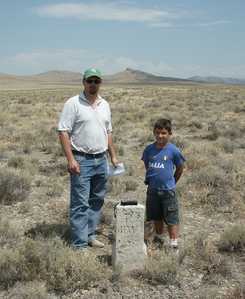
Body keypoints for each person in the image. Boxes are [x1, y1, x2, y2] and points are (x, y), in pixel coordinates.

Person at [58, 68, 118, 250]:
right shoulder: (73, 103)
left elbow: (108, 132)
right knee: (80, 203)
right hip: (81, 159)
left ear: (100, 83)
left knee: (96, 200)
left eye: (96, 81)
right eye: (90, 81)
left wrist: (113, 156)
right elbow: (63, 131)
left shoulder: (104, 104)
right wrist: (71, 159)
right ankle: (79, 244)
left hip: (101, 160)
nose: (93, 84)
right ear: (83, 82)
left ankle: (89, 234)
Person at [141, 118, 185, 249]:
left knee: (172, 217)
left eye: (164, 133)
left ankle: (174, 243)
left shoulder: (174, 150)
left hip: (168, 191)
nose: (160, 136)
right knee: (156, 216)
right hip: (153, 190)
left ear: (170, 134)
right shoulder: (149, 149)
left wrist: (172, 182)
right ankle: (159, 237)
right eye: (157, 132)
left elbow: (180, 168)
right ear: (154, 132)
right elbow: (147, 164)